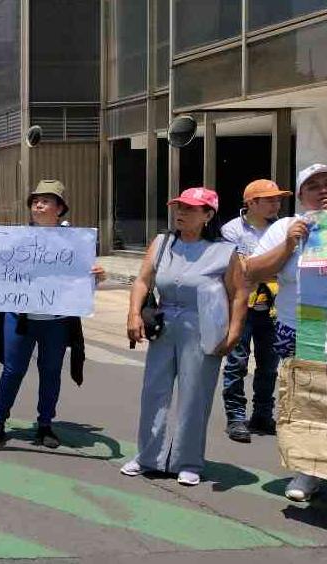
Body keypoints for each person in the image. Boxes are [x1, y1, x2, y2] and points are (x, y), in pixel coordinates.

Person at [121, 187, 247, 487]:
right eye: (179, 207)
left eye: (190, 209)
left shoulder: (225, 251)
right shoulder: (163, 243)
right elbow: (143, 281)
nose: (181, 212)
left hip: (203, 327)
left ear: (208, 215)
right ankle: (148, 456)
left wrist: (233, 334)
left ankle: (187, 461)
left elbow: (239, 294)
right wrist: (134, 313)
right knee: (154, 391)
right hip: (164, 324)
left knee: (195, 394)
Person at [0, 180, 106, 449]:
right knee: (12, 370)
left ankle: (45, 424)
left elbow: (82, 279)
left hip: (56, 323)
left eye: (45, 201)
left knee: (51, 372)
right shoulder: (15, 239)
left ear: (60, 208)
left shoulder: (75, 242)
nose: (38, 205)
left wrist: (98, 276)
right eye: (35, 201)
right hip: (20, 318)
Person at [247, 163, 327, 502]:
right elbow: (252, 271)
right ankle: (308, 471)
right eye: (313, 186)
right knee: (307, 402)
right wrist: (288, 244)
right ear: (301, 197)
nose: (323, 189)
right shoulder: (286, 227)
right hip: (301, 330)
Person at [219, 180, 292, 443]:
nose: (276, 204)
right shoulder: (231, 230)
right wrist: (267, 266)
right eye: (270, 199)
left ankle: (262, 415)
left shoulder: (283, 228)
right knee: (236, 363)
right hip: (241, 306)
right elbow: (238, 270)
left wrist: (258, 267)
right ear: (251, 203)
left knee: (269, 366)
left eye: (278, 199)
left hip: (273, 307)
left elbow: (280, 266)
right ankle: (236, 417)